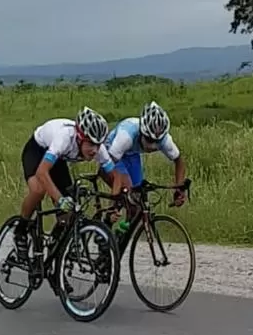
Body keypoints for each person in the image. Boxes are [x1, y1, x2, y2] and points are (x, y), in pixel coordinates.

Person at [14, 106, 115, 260]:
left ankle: (55, 245)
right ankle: (20, 230)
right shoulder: (64, 138)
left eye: (98, 144)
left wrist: (121, 198)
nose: (95, 150)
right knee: (38, 190)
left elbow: (113, 176)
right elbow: (42, 172)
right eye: (91, 144)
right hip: (37, 151)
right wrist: (60, 200)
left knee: (69, 213)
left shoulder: (98, 149)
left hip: (58, 160)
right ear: (80, 138)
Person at [101, 101, 187, 209]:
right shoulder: (126, 137)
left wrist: (179, 188)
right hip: (112, 154)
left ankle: (131, 224)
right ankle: (108, 220)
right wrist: (117, 194)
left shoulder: (165, 140)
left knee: (139, 199)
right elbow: (107, 168)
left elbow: (179, 161)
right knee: (128, 191)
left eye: (157, 141)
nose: (153, 146)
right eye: (149, 140)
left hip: (132, 153)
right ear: (142, 132)